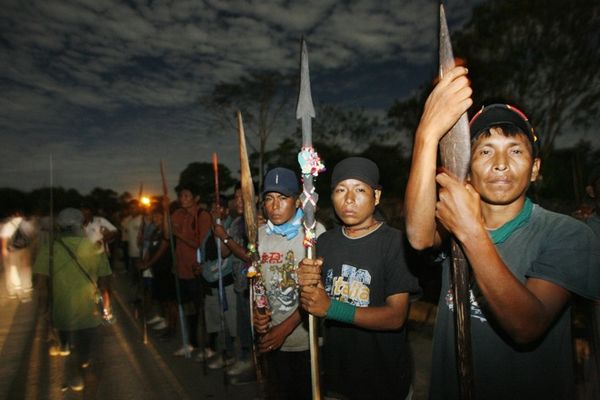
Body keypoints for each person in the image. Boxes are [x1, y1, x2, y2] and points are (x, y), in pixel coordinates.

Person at [404, 66, 600, 399]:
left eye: (516, 150)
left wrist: (470, 231)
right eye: (485, 151)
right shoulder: (452, 223)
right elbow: (419, 236)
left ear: (535, 169)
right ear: (468, 169)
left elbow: (527, 325)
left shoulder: (567, 233)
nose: (500, 163)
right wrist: (427, 134)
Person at [297, 157, 420, 400]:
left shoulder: (395, 243)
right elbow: (314, 306)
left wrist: (331, 308)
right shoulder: (324, 242)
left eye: (360, 189)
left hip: (384, 379)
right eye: (340, 190)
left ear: (376, 196)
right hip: (337, 378)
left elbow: (396, 317)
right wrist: (306, 284)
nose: (349, 199)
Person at [254, 167, 326, 400]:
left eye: (283, 198)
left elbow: (319, 292)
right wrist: (258, 312)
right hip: (272, 341)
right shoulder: (260, 234)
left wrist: (283, 329)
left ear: (297, 201)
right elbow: (257, 284)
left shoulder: (313, 234)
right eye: (269, 198)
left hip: (305, 341)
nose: (275, 206)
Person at [33, 208, 112, 392]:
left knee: (70, 346)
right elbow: (105, 283)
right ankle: (80, 373)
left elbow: (42, 286)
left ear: (60, 226)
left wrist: (44, 313)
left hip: (61, 315)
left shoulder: (49, 249)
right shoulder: (95, 248)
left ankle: (74, 370)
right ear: (81, 225)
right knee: (88, 355)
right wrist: (106, 308)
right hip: (90, 314)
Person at [211, 183, 255, 382]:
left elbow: (249, 257)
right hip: (240, 284)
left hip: (254, 287)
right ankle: (246, 360)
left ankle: (257, 368)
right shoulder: (236, 222)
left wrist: (226, 238)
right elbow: (224, 252)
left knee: (256, 329)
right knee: (244, 327)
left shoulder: (256, 222)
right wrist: (218, 231)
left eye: (243, 197)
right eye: (236, 197)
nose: (239, 201)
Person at [170, 182, 211, 356]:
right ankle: (191, 342)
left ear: (196, 198)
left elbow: (200, 244)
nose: (182, 199)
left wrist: (179, 234)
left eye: (187, 195)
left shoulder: (202, 216)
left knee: (203, 310)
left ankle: (209, 346)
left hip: (197, 270)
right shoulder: (178, 214)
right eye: (181, 195)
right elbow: (167, 234)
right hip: (182, 270)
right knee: (188, 310)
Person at [1, 210, 35, 302]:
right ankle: (26, 290)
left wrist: (4, 249)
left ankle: (16, 290)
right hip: (24, 249)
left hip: (13, 251)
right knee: (25, 269)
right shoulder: (25, 223)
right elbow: (32, 234)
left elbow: (4, 237)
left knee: (14, 269)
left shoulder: (8, 224)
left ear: (12, 215)